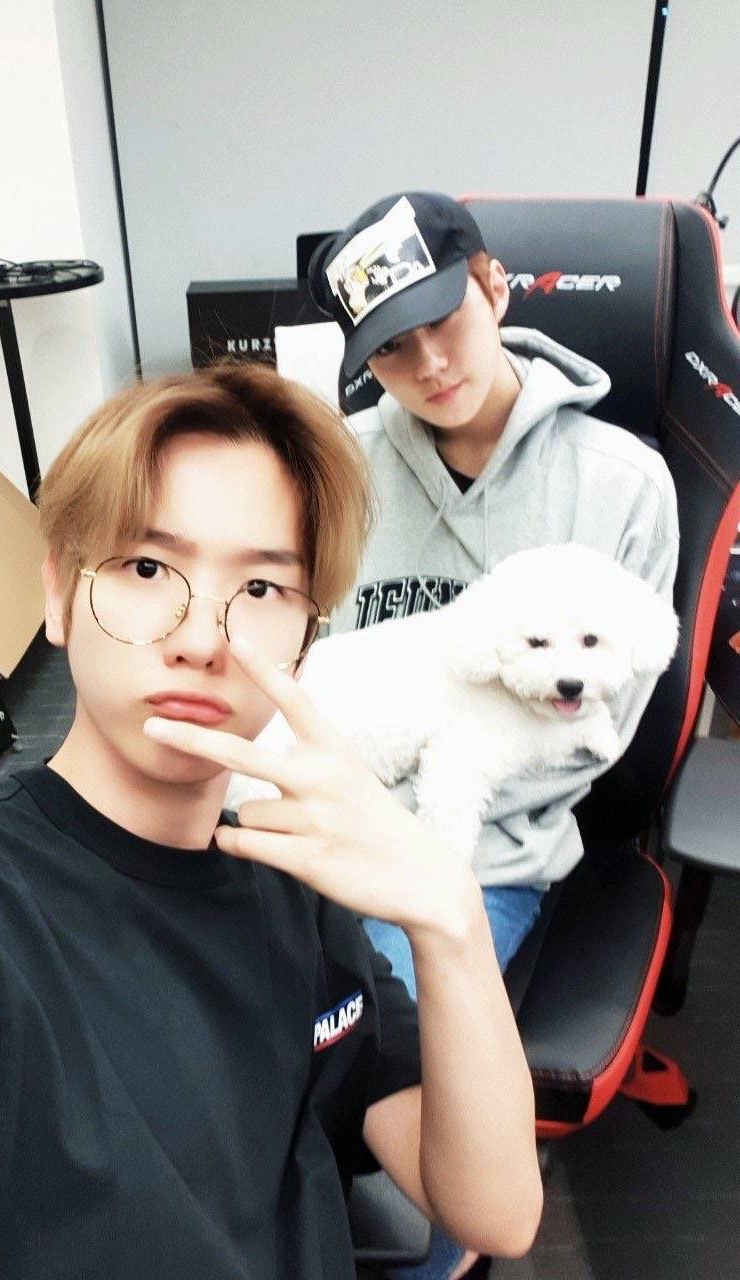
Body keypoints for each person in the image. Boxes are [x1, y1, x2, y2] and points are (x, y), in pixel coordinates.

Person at [0, 362, 542, 1278]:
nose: (202, 637)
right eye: (147, 568)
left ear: (306, 639)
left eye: (260, 590)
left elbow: (496, 1213)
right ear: (58, 594)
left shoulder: (295, 893)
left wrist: (452, 919)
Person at [308, 192, 679, 1278]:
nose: (429, 365)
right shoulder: (337, 466)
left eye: (445, 322)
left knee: (370, 1056)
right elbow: (300, 661)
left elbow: (602, 725)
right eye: (393, 348)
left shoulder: (621, 483)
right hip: (319, 819)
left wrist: (411, 842)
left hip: (485, 848)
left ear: (495, 287)